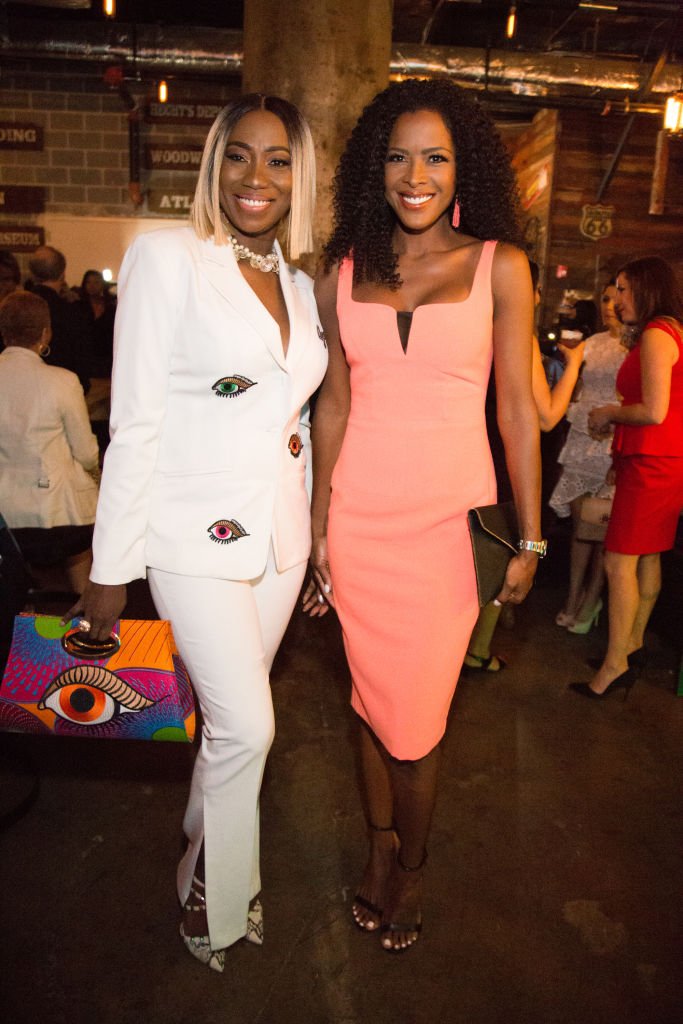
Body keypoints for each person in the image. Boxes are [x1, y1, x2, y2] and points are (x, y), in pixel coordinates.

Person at [65, 94, 327, 971]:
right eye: (239, 155)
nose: (258, 177)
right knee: (249, 728)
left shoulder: (298, 284)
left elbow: (295, 421)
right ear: (214, 165)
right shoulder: (167, 257)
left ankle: (199, 856)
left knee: (226, 728)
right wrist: (111, 566)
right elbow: (134, 420)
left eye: (279, 160)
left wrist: (314, 537)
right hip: (189, 537)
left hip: (278, 542)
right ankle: (219, 898)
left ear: (300, 177)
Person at [304, 78, 542, 951]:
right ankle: (378, 850)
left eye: (435, 157)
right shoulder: (340, 275)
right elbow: (331, 407)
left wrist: (529, 536)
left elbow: (516, 410)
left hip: (447, 533)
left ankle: (412, 865)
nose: (416, 176)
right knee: (369, 706)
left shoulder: (500, 266)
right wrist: (317, 525)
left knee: (416, 724)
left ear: (461, 167)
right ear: (374, 167)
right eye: (399, 157)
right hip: (358, 525)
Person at [464, 259, 585, 672]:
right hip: (504, 455)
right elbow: (547, 416)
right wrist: (574, 366)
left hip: (470, 449)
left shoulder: (471, 325)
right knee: (502, 550)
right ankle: (476, 650)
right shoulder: (518, 334)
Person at [570, 256, 683, 699]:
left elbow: (653, 411)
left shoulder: (657, 335)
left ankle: (616, 664)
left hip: (653, 461)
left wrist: (610, 413)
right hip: (661, 460)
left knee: (619, 561)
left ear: (647, 288)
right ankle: (631, 647)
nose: (616, 299)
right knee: (648, 557)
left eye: (622, 288)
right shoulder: (669, 330)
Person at [0, 290, 99, 592]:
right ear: (45, 333)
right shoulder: (63, 381)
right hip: (57, 517)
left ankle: (22, 606)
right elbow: (86, 453)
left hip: (4, 520)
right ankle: (84, 608)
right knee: (80, 554)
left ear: (4, 332)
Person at [550, 280, 626, 632]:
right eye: (605, 298)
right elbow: (579, 388)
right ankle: (571, 597)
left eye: (617, 298)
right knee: (582, 529)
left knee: (604, 532)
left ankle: (591, 600)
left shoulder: (639, 346)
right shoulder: (592, 343)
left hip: (614, 443)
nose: (610, 304)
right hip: (583, 438)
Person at [27, 246, 92, 394]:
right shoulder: (72, 312)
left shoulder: (17, 308)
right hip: (63, 390)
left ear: (32, 275)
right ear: (62, 274)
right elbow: (82, 359)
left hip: (24, 389)